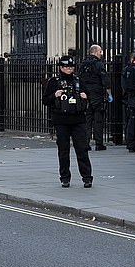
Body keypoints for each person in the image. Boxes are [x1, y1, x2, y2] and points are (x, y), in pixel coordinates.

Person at [42, 55, 93, 188]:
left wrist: (85, 96)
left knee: (82, 149)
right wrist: (54, 95)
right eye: (66, 67)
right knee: (63, 151)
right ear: (60, 68)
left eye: (71, 67)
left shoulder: (78, 80)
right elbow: (45, 100)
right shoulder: (54, 81)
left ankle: (87, 178)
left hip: (78, 119)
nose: (69, 70)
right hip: (61, 120)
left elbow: (90, 97)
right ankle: (65, 178)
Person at [79, 44, 113, 151]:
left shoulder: (83, 64)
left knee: (87, 119)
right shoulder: (98, 64)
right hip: (97, 94)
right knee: (98, 119)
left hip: (85, 94)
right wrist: (109, 93)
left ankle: (86, 143)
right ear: (95, 52)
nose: (101, 53)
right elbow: (105, 80)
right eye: (100, 51)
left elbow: (79, 79)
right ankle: (99, 143)